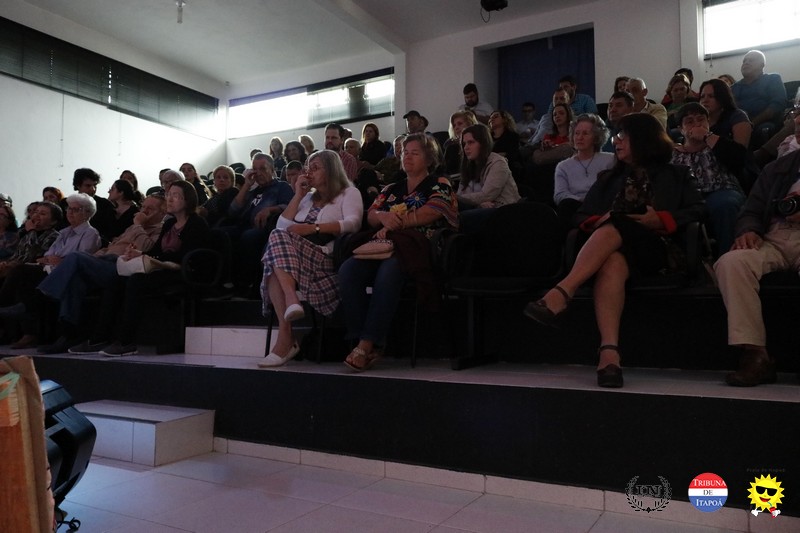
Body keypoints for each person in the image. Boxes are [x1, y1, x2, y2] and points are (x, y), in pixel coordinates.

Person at [523, 113, 705, 388]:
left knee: (617, 222)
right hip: (613, 251)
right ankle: (609, 354)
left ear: (642, 139)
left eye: (622, 136)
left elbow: (699, 210)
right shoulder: (608, 178)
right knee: (613, 261)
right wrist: (599, 220)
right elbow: (579, 214)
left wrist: (661, 219)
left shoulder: (676, 174)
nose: (616, 141)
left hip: (658, 250)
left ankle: (562, 292)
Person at [338, 133, 458, 371]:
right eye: (404, 153)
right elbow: (372, 215)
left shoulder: (439, 183)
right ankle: (365, 339)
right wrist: (383, 216)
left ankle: (367, 343)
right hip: (384, 245)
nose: (407, 157)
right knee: (348, 270)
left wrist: (397, 224)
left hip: (417, 248)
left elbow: (432, 211)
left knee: (390, 269)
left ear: (429, 158)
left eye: (414, 153)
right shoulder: (392, 188)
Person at [258, 150, 363, 367]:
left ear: (331, 170)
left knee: (274, 251)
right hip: (294, 258)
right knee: (276, 247)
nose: (309, 173)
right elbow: (281, 226)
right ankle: (286, 331)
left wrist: (313, 228)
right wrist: (298, 194)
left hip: (324, 256)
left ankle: (287, 331)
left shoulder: (348, 192)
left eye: (315, 168)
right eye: (308, 168)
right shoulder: (307, 198)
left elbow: (353, 223)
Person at [36, 194, 167, 354]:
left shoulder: (160, 229)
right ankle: (69, 334)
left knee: (75, 257)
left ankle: (43, 295)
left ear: (162, 212)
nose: (144, 211)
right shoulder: (132, 228)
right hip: (106, 261)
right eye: (143, 207)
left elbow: (148, 248)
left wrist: (139, 225)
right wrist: (97, 256)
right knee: (76, 280)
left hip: (122, 267)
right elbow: (111, 246)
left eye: (150, 209)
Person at [714, 146, 800, 387]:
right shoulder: (779, 167)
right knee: (732, 263)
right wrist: (749, 230)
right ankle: (755, 354)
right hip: (774, 236)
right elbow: (750, 210)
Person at [99, 181, 210, 356]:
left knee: (136, 281)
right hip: (163, 268)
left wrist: (154, 259)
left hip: (183, 271)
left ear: (187, 200)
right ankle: (100, 337)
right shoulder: (169, 224)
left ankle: (127, 341)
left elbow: (186, 256)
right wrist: (139, 253)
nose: (170, 199)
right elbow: (156, 251)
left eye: (175, 196)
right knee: (116, 279)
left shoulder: (197, 223)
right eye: (168, 195)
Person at [0, 194, 101, 349]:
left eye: (75, 210)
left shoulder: (90, 233)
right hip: (49, 269)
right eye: (69, 209)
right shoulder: (64, 232)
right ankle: (23, 325)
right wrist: (53, 259)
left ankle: (19, 312)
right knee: (23, 275)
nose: (70, 213)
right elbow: (47, 256)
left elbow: (81, 258)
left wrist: (59, 259)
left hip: (69, 274)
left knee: (22, 272)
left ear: (87, 213)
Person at [671, 102, 747, 255]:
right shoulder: (673, 154)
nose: (697, 124)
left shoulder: (719, 143)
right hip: (689, 199)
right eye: (689, 121)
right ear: (681, 129)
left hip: (721, 190)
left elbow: (741, 158)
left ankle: (730, 257)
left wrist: (706, 136)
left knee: (724, 205)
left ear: (708, 122)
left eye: (701, 119)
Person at [225, 153, 294, 293]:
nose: (258, 173)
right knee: (221, 234)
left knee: (249, 236)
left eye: (262, 169)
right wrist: (246, 185)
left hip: (266, 229)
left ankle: (246, 285)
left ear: (272, 170)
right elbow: (233, 211)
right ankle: (226, 281)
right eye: (255, 169)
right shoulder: (252, 190)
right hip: (243, 226)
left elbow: (290, 206)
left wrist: (270, 209)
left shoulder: (282, 187)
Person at [553, 113, 614, 230]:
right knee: (566, 205)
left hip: (602, 206)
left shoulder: (610, 160)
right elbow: (559, 195)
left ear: (596, 137)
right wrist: (582, 200)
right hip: (576, 208)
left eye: (585, 133)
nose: (579, 137)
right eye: (577, 133)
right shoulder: (563, 166)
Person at [457, 124, 520, 232]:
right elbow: (461, 195)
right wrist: (479, 202)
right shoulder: (469, 165)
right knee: (450, 211)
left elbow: (488, 195)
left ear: (483, 143)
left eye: (471, 142)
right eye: (464, 144)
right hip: (480, 206)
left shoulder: (498, 163)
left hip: (503, 210)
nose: (466, 147)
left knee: (461, 218)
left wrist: (456, 197)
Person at [730, 50, 786, 146]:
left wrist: (752, 123)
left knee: (765, 129)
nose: (746, 63)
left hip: (764, 123)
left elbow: (777, 105)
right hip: (738, 125)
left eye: (751, 60)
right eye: (744, 61)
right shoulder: (733, 88)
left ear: (762, 65)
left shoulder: (773, 79)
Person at [531, 76, 598, 146]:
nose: (563, 89)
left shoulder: (585, 99)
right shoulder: (552, 106)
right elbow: (550, 120)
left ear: (574, 87)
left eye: (565, 87)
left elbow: (593, 119)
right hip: (550, 137)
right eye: (561, 87)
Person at [698, 78, 752, 148]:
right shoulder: (696, 119)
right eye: (702, 96)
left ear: (722, 98)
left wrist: (707, 136)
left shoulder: (737, 116)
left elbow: (740, 151)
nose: (705, 100)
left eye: (711, 96)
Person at [70, 168, 116, 242]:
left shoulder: (105, 205)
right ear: (78, 185)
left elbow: (110, 232)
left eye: (95, 185)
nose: (93, 189)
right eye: (88, 186)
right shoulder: (67, 203)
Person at [442, 111, 478, 177]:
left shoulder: (478, 144)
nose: (456, 127)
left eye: (460, 124)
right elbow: (443, 169)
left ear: (470, 124)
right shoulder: (450, 147)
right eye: (454, 125)